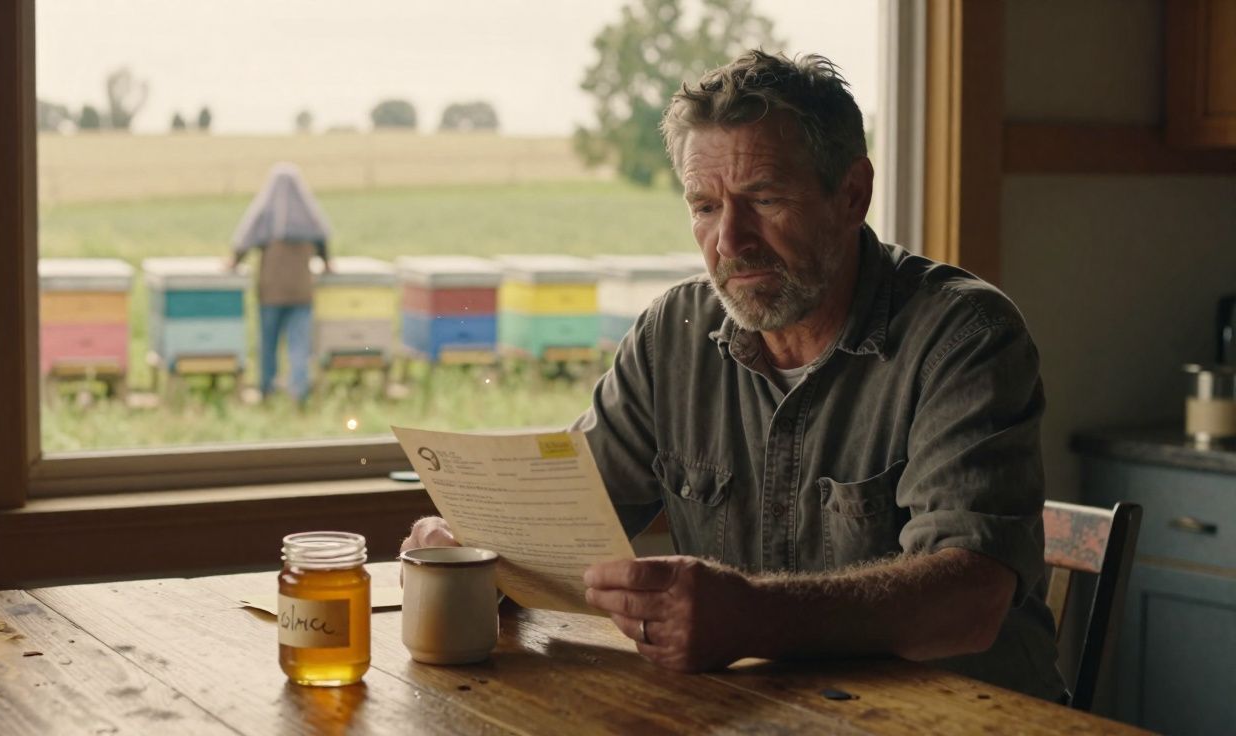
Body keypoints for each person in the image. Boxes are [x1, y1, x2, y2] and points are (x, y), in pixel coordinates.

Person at [401, 50, 1065, 701]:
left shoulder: (964, 335)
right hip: (761, 713)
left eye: (764, 198)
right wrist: (477, 548)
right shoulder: (673, 335)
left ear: (851, 193)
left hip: (963, 719)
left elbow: (969, 600)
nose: (730, 240)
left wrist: (753, 616)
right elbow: (565, 519)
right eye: (705, 206)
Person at [229, 163, 332, 403]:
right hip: (301, 293)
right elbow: (323, 242)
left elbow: (243, 241)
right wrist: (327, 262)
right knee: (299, 346)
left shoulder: (265, 214)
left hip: (271, 292)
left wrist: (233, 261)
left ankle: (267, 391)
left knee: (268, 344)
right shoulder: (308, 214)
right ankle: (299, 394)